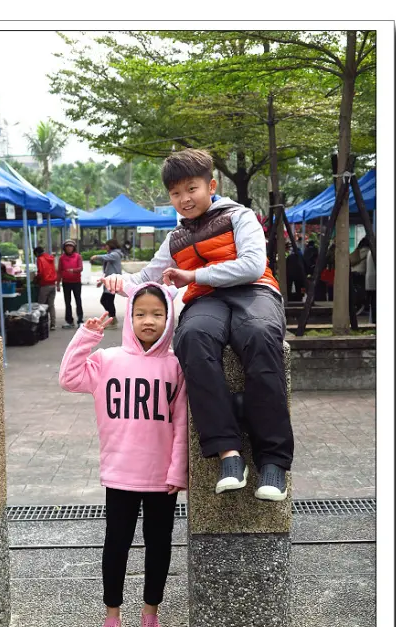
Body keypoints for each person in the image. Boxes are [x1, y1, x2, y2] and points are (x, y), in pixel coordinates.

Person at [101, 148, 293, 501]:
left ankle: (273, 461)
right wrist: (118, 283)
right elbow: (147, 279)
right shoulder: (175, 237)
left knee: (259, 333)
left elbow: (252, 265)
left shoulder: (239, 216)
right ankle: (228, 453)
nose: (184, 199)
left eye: (191, 189)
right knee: (191, 336)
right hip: (206, 300)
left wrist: (193, 275)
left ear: (211, 186)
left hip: (255, 290)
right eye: (175, 193)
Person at [59, 282, 187, 627]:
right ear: (129, 317)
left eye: (158, 314)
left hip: (162, 478)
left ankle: (151, 612)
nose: (149, 321)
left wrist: (178, 470)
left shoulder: (176, 366)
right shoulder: (108, 360)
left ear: (169, 318)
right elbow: (68, 378)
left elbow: (181, 422)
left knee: (159, 546)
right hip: (120, 474)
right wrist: (86, 336)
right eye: (140, 313)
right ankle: (112, 615)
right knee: (116, 544)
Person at [91, 239, 124, 327]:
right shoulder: (112, 254)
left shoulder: (115, 254)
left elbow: (105, 257)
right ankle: (112, 319)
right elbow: (107, 270)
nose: (105, 247)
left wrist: (96, 256)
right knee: (106, 301)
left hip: (113, 282)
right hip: (109, 281)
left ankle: (113, 320)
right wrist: (102, 281)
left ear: (111, 245)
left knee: (107, 301)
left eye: (107, 245)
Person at [57, 239, 84, 329]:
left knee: (78, 301)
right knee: (67, 302)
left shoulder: (78, 256)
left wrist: (73, 270)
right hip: (66, 282)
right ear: (64, 248)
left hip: (76, 282)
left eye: (71, 246)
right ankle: (69, 321)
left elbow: (80, 268)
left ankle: (80, 320)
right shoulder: (62, 258)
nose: (69, 248)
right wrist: (58, 284)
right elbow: (59, 271)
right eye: (67, 246)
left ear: (74, 248)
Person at [33, 246, 57, 331]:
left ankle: (40, 324)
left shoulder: (40, 259)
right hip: (52, 284)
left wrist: (36, 279)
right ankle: (53, 324)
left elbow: (41, 272)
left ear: (36, 253)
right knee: (51, 305)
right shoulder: (50, 258)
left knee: (41, 305)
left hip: (44, 284)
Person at [350, 236, 370, 315]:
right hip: (360, 273)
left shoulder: (358, 250)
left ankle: (360, 306)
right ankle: (361, 307)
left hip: (354, 272)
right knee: (362, 291)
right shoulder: (366, 250)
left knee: (357, 290)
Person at [365, 246, 376, 324]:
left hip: (370, 281)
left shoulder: (370, 251)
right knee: (374, 303)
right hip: (374, 280)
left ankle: (372, 320)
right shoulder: (373, 251)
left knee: (373, 303)